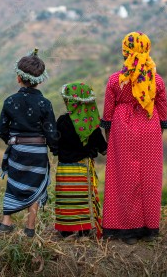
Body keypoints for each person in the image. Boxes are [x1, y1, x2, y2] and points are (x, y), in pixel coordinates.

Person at [100, 32, 167, 245]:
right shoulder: (156, 81)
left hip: (122, 128)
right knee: (149, 178)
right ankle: (148, 229)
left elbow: (107, 114)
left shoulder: (115, 80)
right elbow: (163, 113)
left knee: (123, 177)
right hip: (150, 127)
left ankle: (126, 230)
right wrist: (155, 133)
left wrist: (109, 136)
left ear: (125, 51)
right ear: (147, 50)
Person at [0, 48, 58, 238]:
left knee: (14, 183)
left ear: (18, 78)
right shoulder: (45, 104)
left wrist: (13, 142)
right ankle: (30, 228)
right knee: (36, 185)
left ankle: (6, 222)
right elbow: (51, 132)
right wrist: (55, 149)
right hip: (38, 152)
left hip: (17, 150)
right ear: (39, 80)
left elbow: (2, 129)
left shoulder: (9, 101)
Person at [53, 81, 107, 239]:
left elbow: (54, 143)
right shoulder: (92, 124)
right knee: (83, 199)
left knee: (66, 199)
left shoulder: (62, 121)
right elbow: (104, 148)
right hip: (83, 168)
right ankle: (84, 229)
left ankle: (66, 230)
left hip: (65, 168)